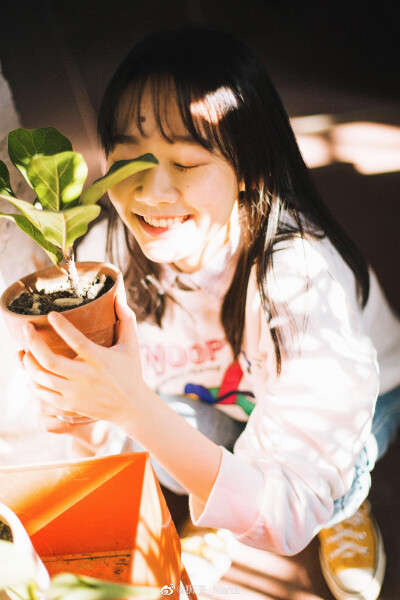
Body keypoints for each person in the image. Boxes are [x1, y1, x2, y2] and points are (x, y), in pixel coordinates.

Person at [19, 28, 400, 600]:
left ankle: (344, 505)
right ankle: (222, 508)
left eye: (186, 161)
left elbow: (285, 511)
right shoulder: (106, 253)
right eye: (131, 159)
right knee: (169, 447)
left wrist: (135, 409)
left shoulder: (299, 280)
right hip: (216, 399)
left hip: (359, 410)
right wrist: (89, 408)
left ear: (248, 168)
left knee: (324, 480)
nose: (151, 191)